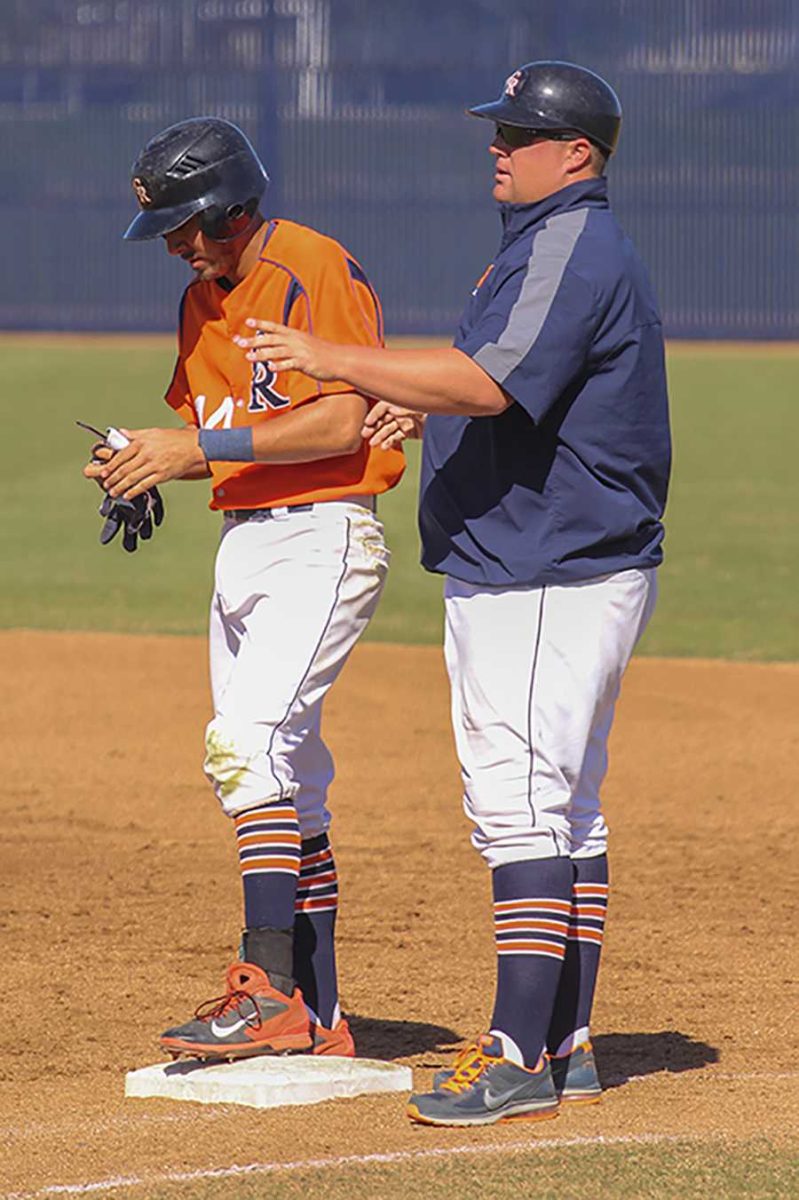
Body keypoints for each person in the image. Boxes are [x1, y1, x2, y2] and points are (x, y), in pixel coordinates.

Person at [236, 61, 672, 1125]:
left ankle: (518, 1056)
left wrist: (331, 358)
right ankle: (563, 1044)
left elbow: (483, 381)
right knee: (564, 802)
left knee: (518, 800)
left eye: (519, 134)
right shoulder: (546, 242)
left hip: (541, 567)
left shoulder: (569, 243)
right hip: (562, 558)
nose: (497, 146)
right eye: (499, 129)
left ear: (576, 155)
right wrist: (421, 410)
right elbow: (507, 391)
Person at [85, 116, 404, 1060]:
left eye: (188, 225)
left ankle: (264, 991)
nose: (179, 246)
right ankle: (321, 1016)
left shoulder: (310, 266)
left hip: (321, 534)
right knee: (287, 780)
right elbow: (208, 429)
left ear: (231, 204)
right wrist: (144, 458)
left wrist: (196, 448)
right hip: (247, 546)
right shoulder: (202, 301)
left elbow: (343, 422)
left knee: (246, 746)